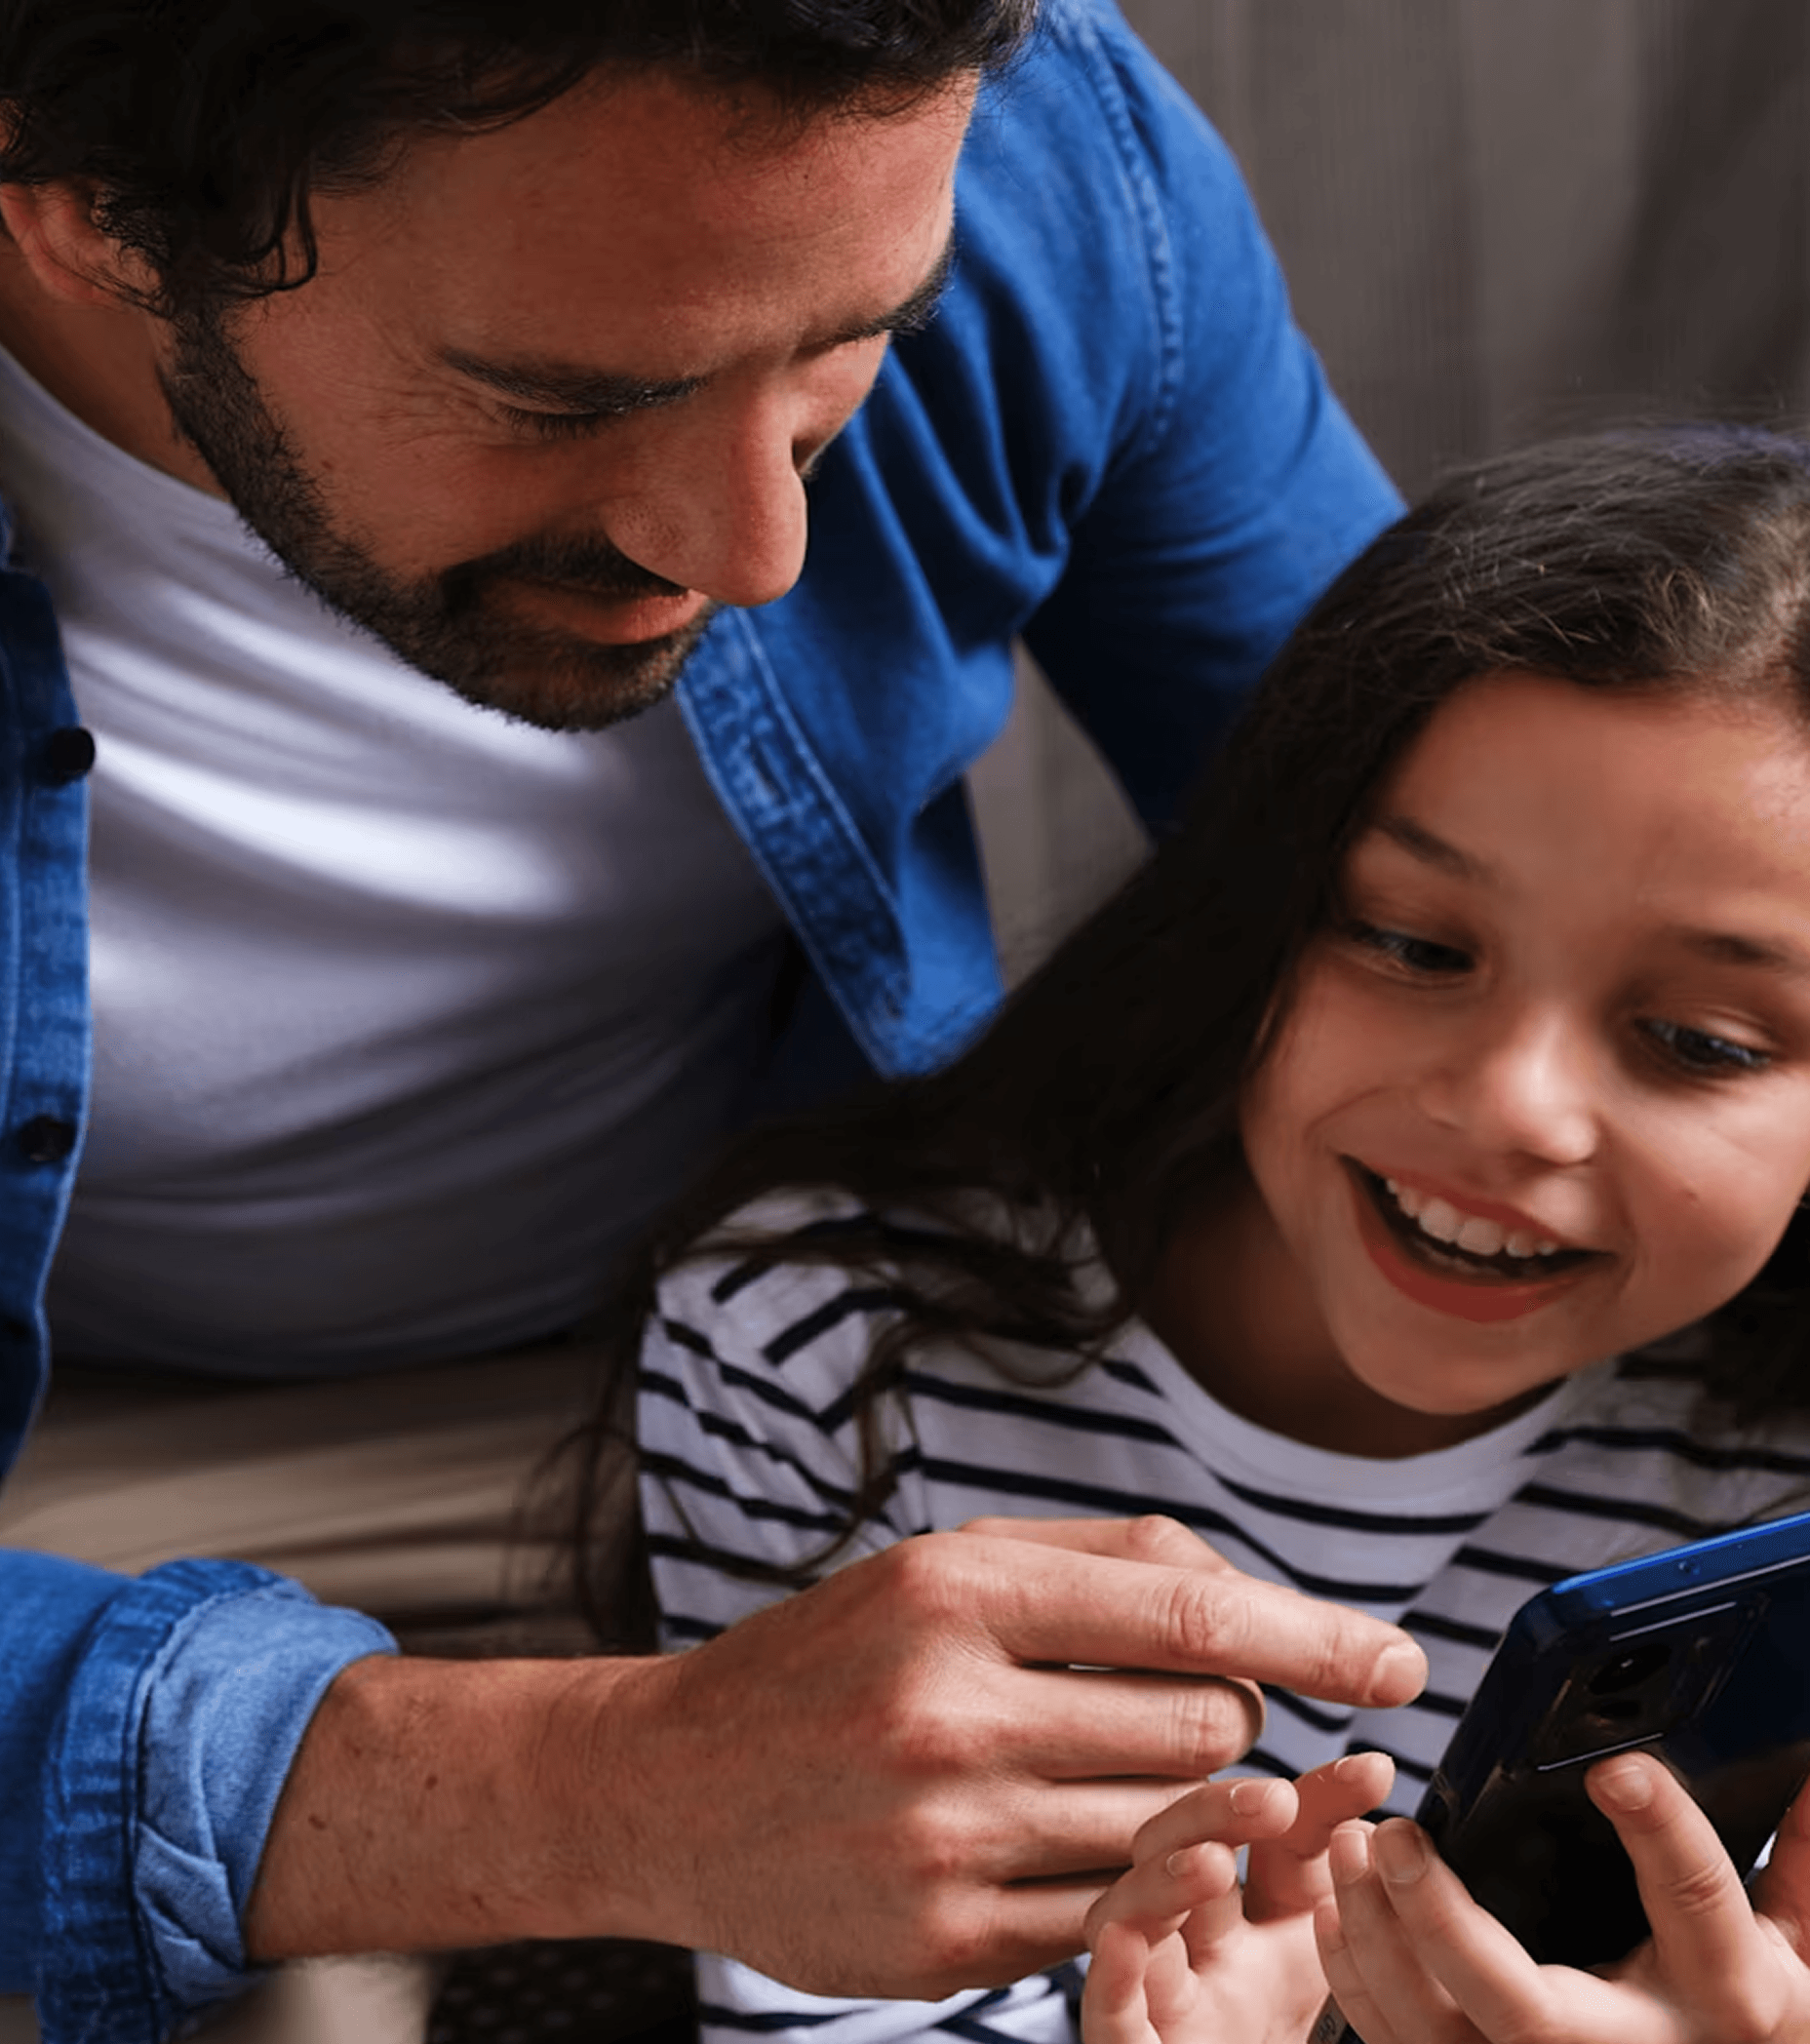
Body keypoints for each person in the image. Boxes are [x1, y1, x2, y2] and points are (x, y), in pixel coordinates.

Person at [0, 0, 1415, 2037]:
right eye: (560, 397)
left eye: (853, 342)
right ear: (84, 210)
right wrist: (592, 1790)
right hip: (70, 1465)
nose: (756, 547)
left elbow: (1456, 887)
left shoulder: (1034, 151)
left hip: (776, 1354)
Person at [606, 426, 1810, 2041]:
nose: (1514, 1107)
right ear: (1259, 905)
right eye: (1409, 941)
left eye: (1702, 1042)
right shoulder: (819, 1343)